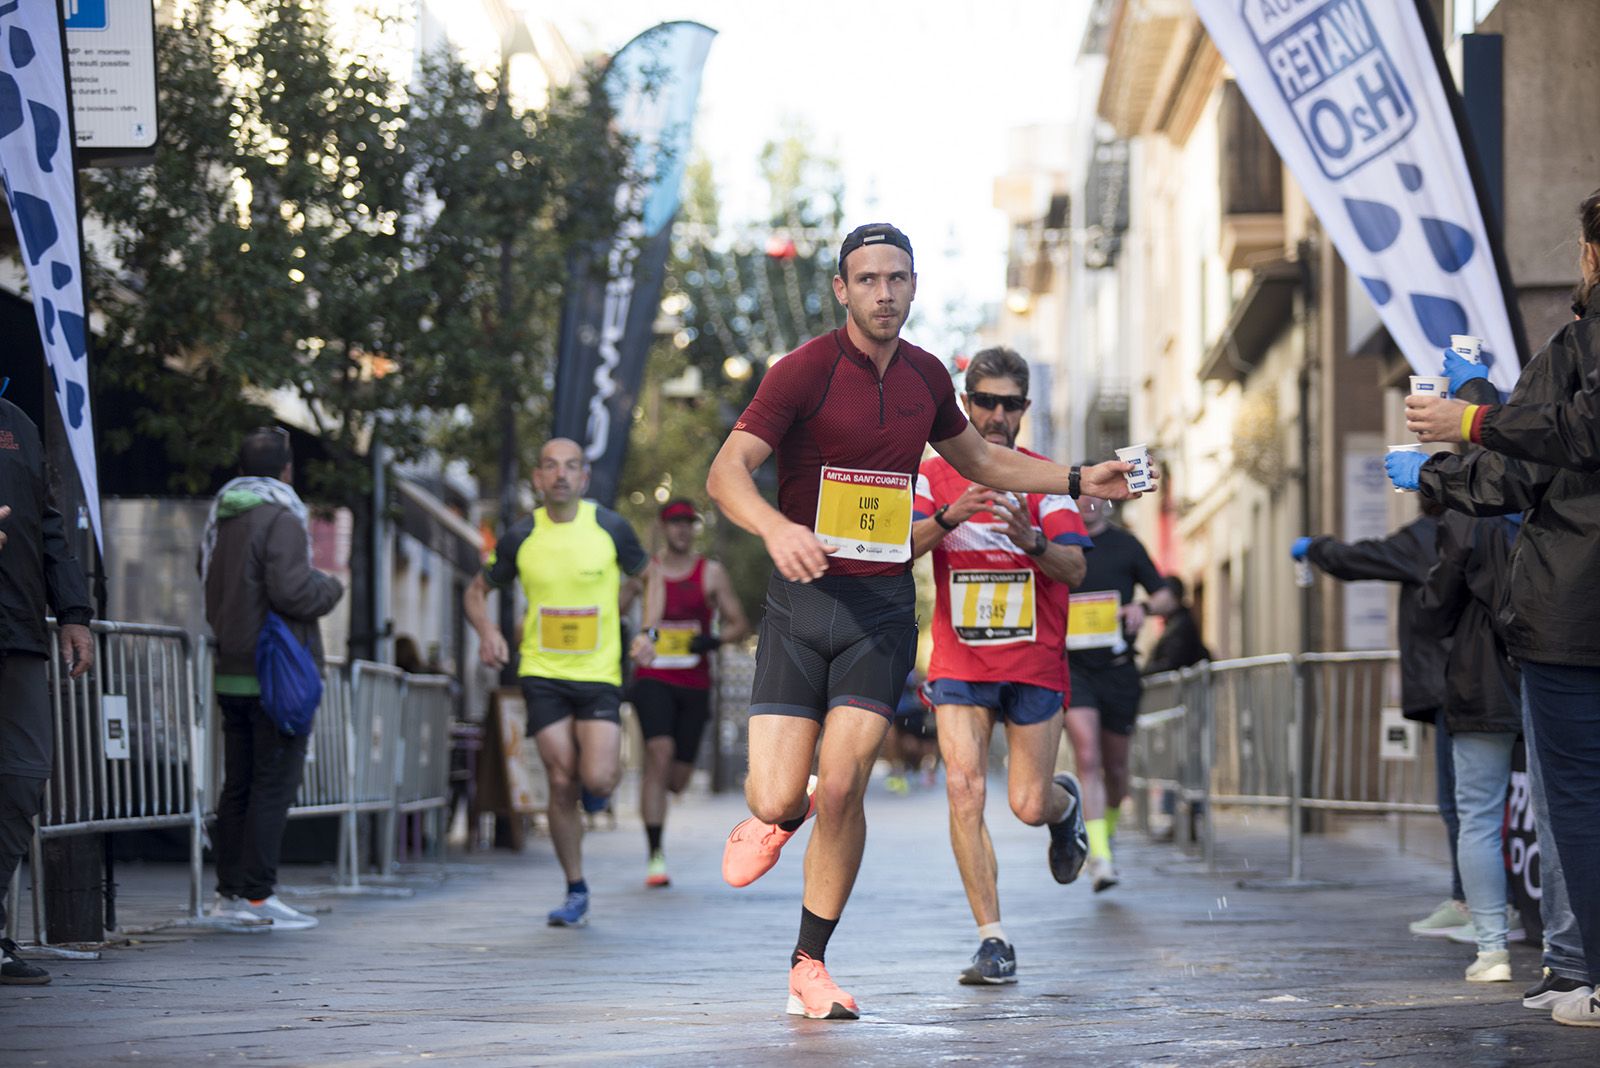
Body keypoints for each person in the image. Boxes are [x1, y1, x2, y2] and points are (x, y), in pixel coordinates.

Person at [705, 222, 1143, 1020]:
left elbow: (980, 458)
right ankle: (779, 816)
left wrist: (1079, 476)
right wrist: (775, 527)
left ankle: (810, 962)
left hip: (878, 612)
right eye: (866, 279)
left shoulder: (926, 377)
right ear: (841, 289)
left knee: (843, 786)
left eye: (896, 279)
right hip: (799, 607)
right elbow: (726, 470)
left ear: (913, 286)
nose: (883, 293)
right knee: (776, 796)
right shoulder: (802, 372)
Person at [1392, 189, 1600, 1026]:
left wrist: (1470, 419)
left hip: (1570, 614)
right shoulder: (1568, 349)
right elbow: (1526, 459)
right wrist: (1446, 461)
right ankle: (1573, 965)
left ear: (1589, 256)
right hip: (1558, 615)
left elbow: (1559, 439)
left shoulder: (1579, 344)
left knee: (1574, 798)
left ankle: (1584, 970)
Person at [911, 345, 1093, 985]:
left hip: (1034, 662)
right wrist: (946, 516)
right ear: (965, 404)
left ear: (1024, 410)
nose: (995, 414)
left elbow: (1076, 568)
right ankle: (994, 940)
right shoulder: (933, 478)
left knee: (1025, 803)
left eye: (1008, 404)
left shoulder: (1045, 478)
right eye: (984, 401)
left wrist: (1033, 539)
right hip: (960, 660)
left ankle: (1063, 808)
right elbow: (896, 548)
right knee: (964, 791)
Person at [464, 438, 652, 928]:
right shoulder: (521, 536)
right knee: (561, 778)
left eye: (571, 467)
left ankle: (598, 794)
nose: (561, 475)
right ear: (538, 478)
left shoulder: (610, 528)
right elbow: (476, 591)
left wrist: (648, 633)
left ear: (584, 478)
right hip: (542, 673)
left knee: (597, 777)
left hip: (599, 673)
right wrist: (487, 632)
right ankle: (575, 888)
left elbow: (652, 578)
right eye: (551, 466)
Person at [1289, 511, 1464, 938]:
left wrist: (1315, 547)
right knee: (1481, 803)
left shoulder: (1431, 535)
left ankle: (1473, 904)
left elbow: (1360, 558)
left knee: (1462, 804)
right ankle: (1490, 905)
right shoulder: (1492, 524)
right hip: (1493, 680)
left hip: (1454, 684)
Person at [201, 426, 343, 931]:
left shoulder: (224, 517)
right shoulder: (280, 518)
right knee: (271, 787)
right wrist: (330, 588)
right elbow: (292, 593)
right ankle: (260, 897)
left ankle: (229, 895)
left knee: (236, 786)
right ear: (287, 470)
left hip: (232, 672)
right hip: (274, 679)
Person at [0, 401, 93, 985]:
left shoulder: (17, 423)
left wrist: (75, 611)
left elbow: (48, 522)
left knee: (22, 778)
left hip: (18, 632)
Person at [1417, 510, 1525, 983]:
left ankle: (1492, 950)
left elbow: (1435, 605)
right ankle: (1573, 960)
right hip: (1561, 667)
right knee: (1568, 811)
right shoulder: (1566, 487)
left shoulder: (1469, 515)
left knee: (1477, 816)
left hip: (1483, 677)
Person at [630, 498, 749, 888]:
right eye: (674, 523)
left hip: (694, 684)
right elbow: (614, 608)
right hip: (652, 678)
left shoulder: (710, 573)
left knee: (677, 779)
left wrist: (711, 642)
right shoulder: (647, 571)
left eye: (687, 523)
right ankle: (654, 855)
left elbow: (739, 624)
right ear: (663, 528)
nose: (681, 529)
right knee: (657, 753)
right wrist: (632, 639)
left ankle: (656, 790)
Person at [1065, 496, 1174, 892]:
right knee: (1088, 757)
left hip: (1118, 668)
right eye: (1079, 497)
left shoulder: (1126, 545)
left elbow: (1167, 594)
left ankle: (1104, 833)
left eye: (1096, 497)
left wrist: (1142, 608)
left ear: (1107, 503)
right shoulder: (1058, 544)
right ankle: (1099, 858)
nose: (1088, 504)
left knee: (1116, 769)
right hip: (1072, 668)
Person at [1142, 576, 1210, 675]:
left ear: (1173, 597)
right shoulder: (1176, 622)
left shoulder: (1181, 624)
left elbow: (1171, 663)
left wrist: (1140, 674)